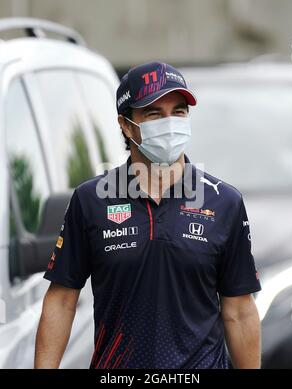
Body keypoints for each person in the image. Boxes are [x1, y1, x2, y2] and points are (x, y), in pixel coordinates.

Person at [35, 61, 261, 369]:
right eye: (154, 113)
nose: (169, 123)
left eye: (178, 111)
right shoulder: (90, 201)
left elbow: (239, 310)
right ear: (126, 125)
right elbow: (61, 299)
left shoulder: (225, 202)